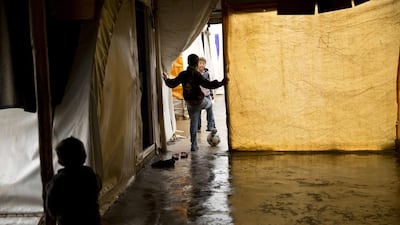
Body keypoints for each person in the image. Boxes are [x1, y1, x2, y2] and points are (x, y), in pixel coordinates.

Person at [163, 54, 228, 151]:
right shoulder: (197, 75)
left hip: (189, 103)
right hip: (199, 101)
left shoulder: (183, 74)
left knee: (193, 123)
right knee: (210, 104)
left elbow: (172, 84)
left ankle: (194, 145)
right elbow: (209, 84)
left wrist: (165, 79)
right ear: (197, 64)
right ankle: (211, 126)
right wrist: (221, 83)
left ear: (188, 62)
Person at [46, 137, 102, 225]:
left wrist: (55, 215)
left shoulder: (57, 181)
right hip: (91, 219)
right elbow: (97, 187)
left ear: (60, 161)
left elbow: (50, 202)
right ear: (83, 157)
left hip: (67, 221)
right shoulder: (89, 173)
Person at [197, 57, 215, 132]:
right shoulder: (195, 73)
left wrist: (211, 94)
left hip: (207, 95)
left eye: (203, 63)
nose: (201, 65)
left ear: (205, 64)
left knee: (210, 110)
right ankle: (198, 126)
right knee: (198, 111)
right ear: (197, 64)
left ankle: (210, 126)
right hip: (198, 96)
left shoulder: (207, 73)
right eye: (200, 63)